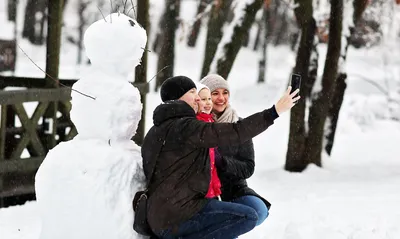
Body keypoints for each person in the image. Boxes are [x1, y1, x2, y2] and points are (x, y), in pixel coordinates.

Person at [142, 75, 300, 239]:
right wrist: (274, 112)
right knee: (248, 216)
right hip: (180, 216)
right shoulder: (187, 127)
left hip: (160, 216)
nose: (198, 98)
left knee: (242, 217)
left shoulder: (155, 131)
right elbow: (237, 131)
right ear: (177, 97)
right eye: (192, 92)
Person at [200, 73, 269, 227]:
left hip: (233, 188)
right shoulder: (198, 125)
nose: (221, 98)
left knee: (259, 211)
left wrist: (223, 162)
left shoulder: (239, 125)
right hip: (204, 191)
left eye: (225, 93)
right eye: (215, 93)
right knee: (223, 222)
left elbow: (248, 167)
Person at [195, 83, 222, 199]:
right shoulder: (197, 123)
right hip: (201, 183)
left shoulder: (210, 120)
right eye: (203, 99)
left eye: (209, 99)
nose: (208, 103)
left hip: (211, 177)